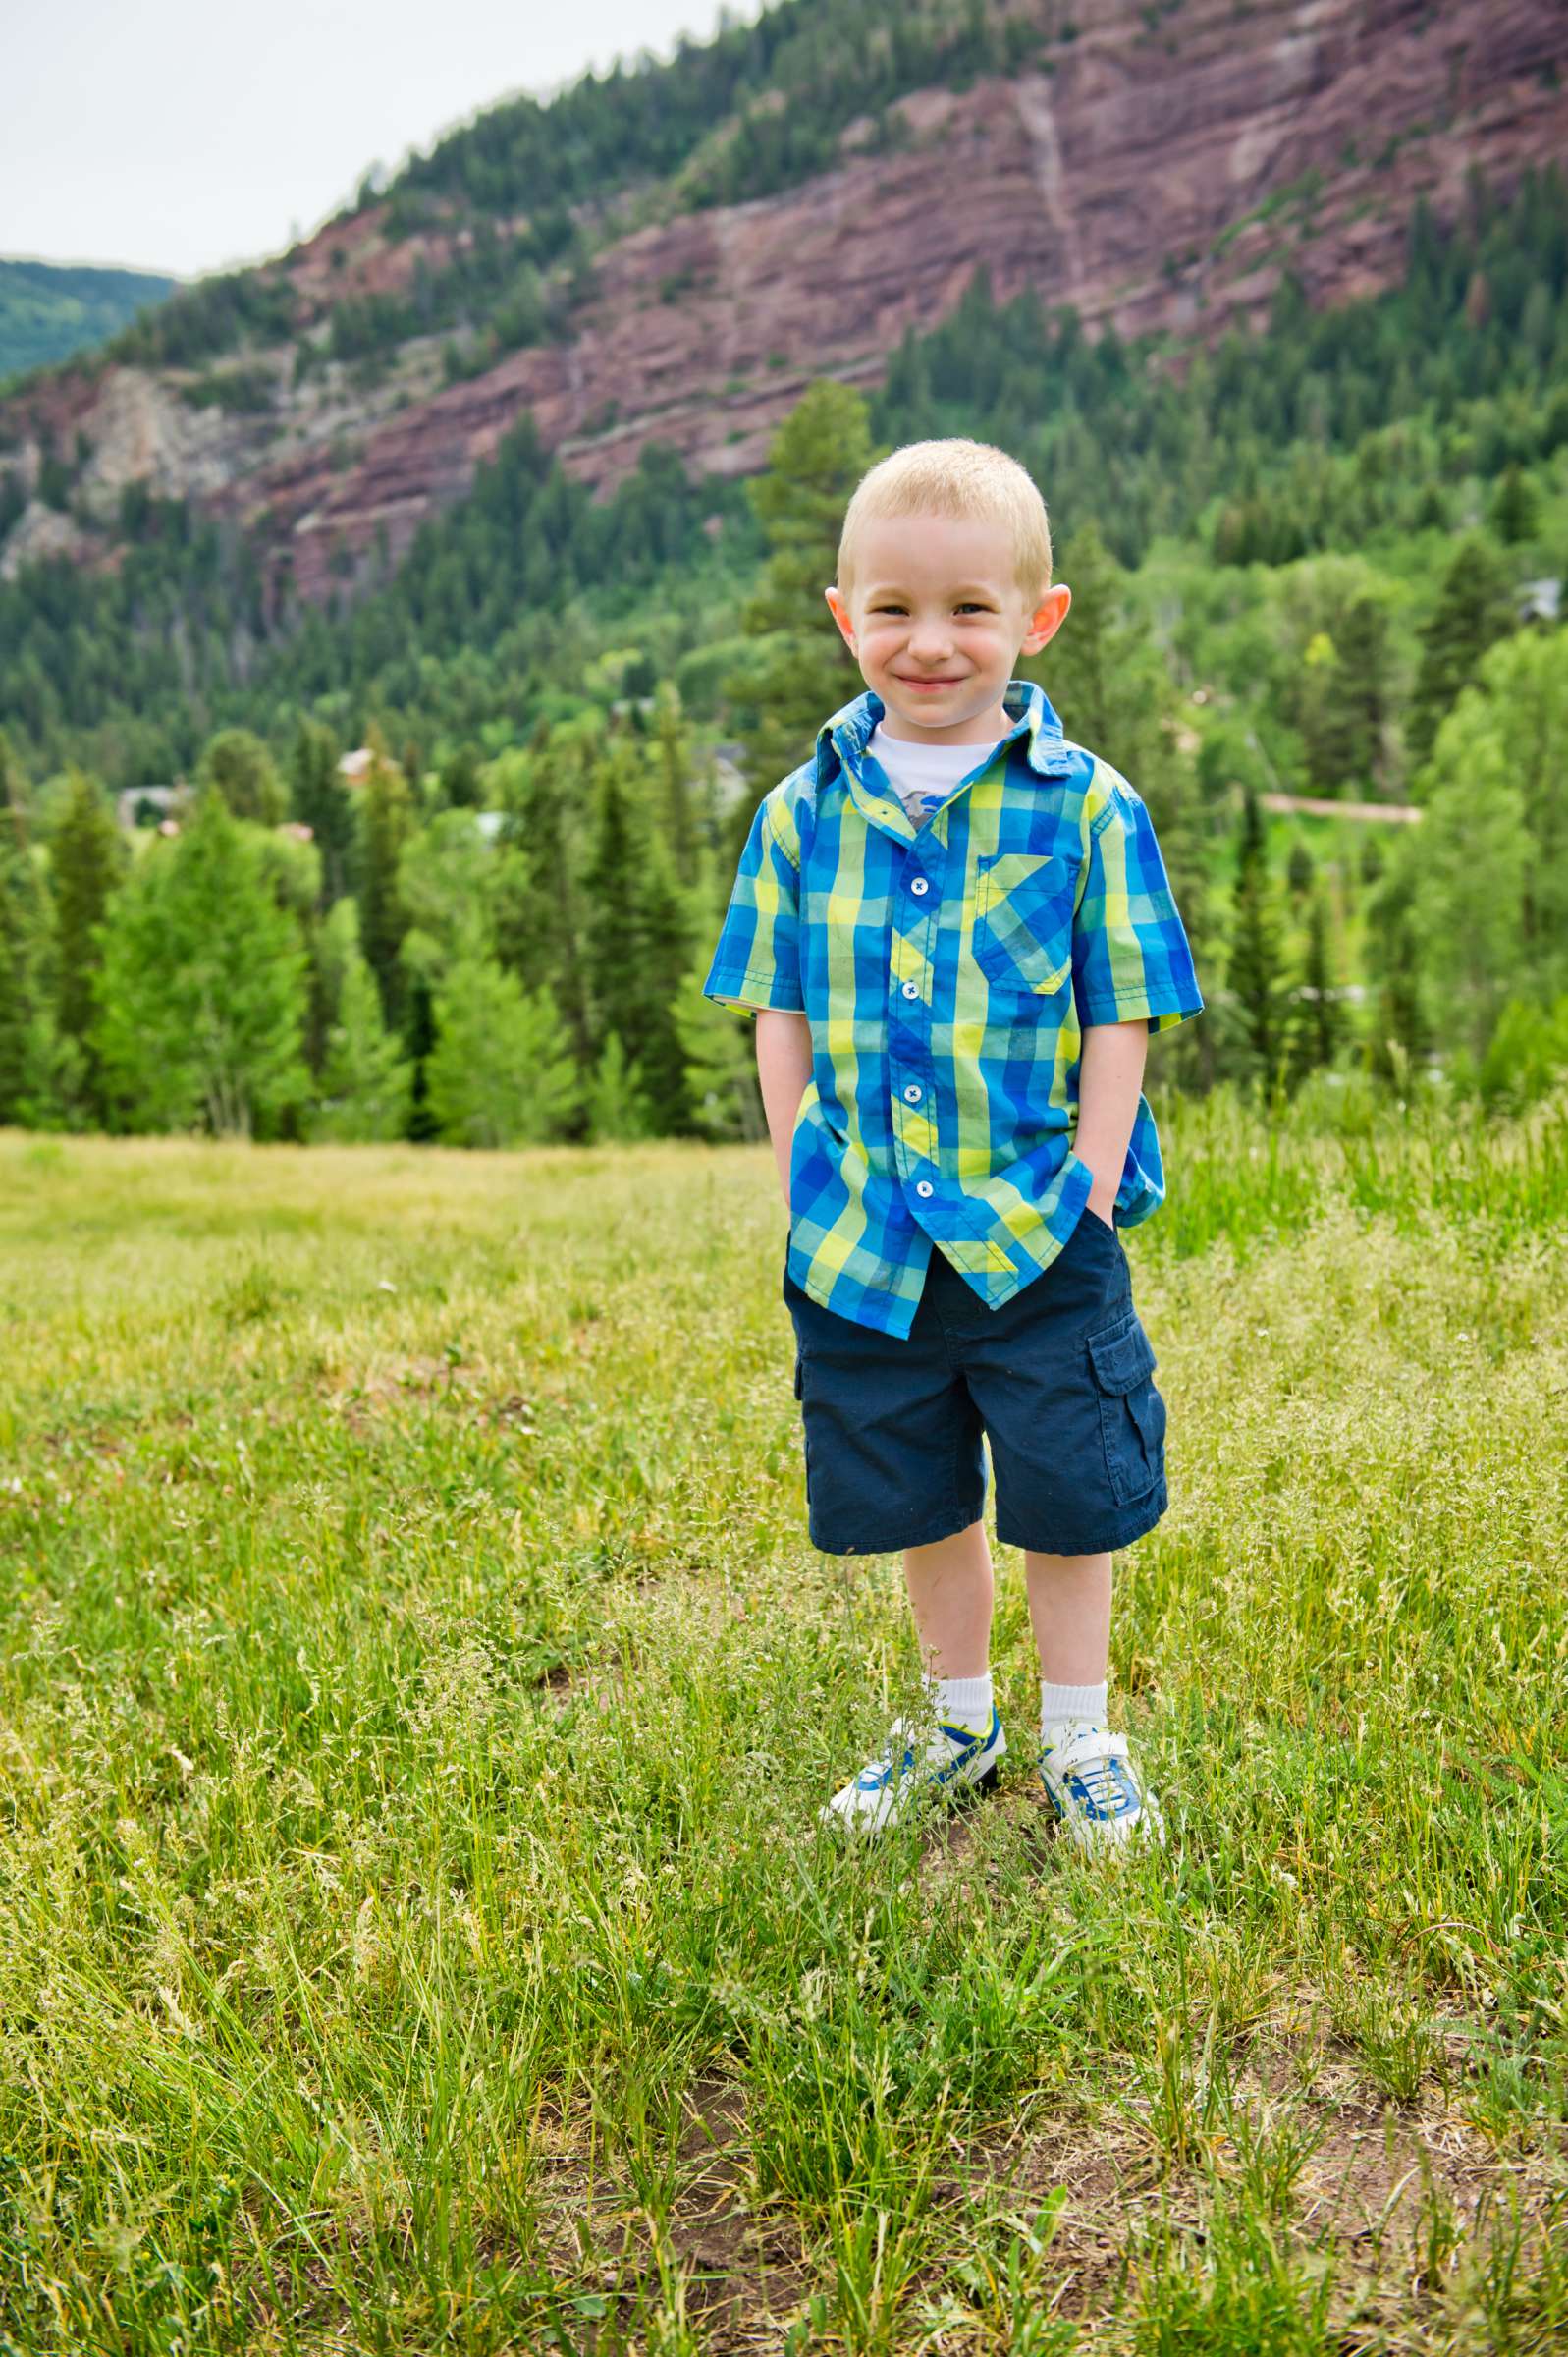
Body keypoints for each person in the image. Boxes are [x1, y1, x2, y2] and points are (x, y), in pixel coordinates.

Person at [701, 437, 1203, 1849]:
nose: (930, 644)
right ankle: (956, 1722)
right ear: (841, 612)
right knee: (919, 1489)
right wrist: (799, 1172)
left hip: (1040, 1223)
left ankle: (1079, 1736)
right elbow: (777, 1005)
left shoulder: (1085, 804)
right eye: (893, 609)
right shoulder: (801, 814)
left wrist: (1093, 1180)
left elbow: (1126, 1009)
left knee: (1067, 1494)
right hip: (867, 1238)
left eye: (970, 608)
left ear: (1036, 619)